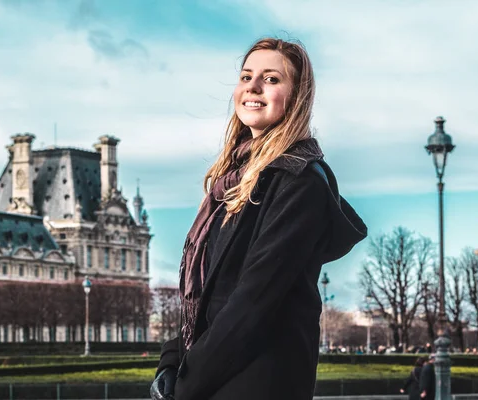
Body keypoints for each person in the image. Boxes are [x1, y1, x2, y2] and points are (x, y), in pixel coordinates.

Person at [149, 37, 367, 400]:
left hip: (257, 380)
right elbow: (205, 294)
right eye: (247, 76)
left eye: (271, 79)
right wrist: (171, 361)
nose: (252, 86)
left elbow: (253, 301)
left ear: (297, 97)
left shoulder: (300, 182)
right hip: (220, 373)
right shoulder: (233, 178)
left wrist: (185, 384)